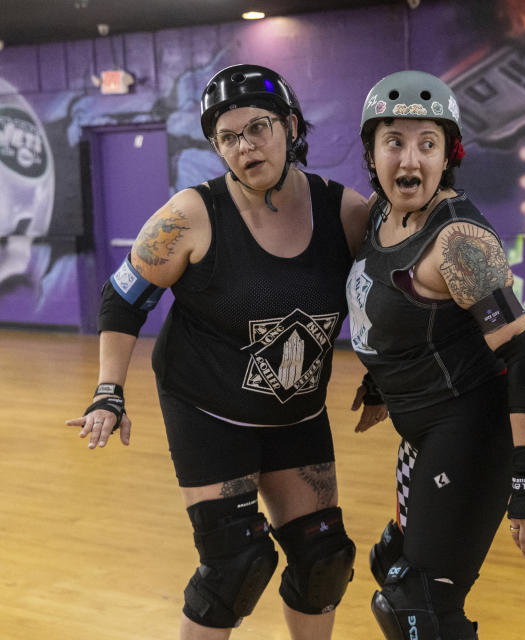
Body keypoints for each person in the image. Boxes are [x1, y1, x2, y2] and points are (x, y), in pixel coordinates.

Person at [66, 64, 386, 640]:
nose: (246, 146)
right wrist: (108, 391)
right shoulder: (190, 216)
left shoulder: (346, 213)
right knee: (235, 566)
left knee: (324, 558)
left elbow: (384, 299)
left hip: (296, 412)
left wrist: (382, 376)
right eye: (228, 137)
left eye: (258, 128)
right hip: (207, 408)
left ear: (290, 126)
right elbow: (121, 298)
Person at [346, 70, 525, 640]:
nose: (409, 159)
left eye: (427, 143)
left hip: (471, 429)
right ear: (372, 152)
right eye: (394, 141)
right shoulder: (380, 215)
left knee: (417, 608)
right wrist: (379, 384)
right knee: (396, 572)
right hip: (424, 430)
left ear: (449, 154)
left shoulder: (458, 241)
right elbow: (402, 317)